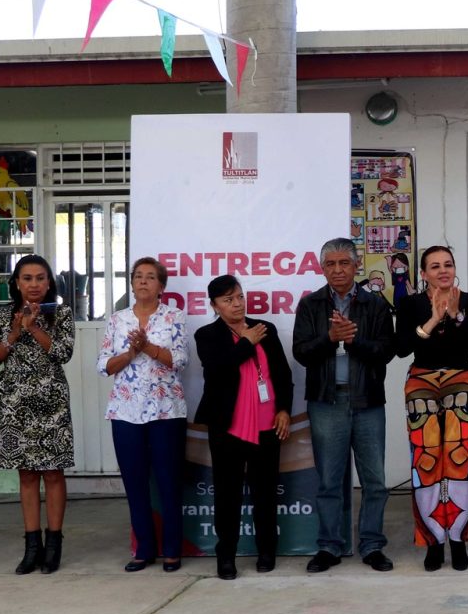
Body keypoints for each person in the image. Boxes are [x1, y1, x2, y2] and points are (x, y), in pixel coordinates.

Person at [294, 237, 396, 572]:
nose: (337, 270)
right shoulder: (311, 306)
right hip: (326, 401)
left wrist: (353, 341)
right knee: (329, 479)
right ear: (322, 268)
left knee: (375, 479)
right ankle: (329, 546)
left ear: (356, 266)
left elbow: (386, 352)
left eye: (344, 263)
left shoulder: (376, 304)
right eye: (330, 264)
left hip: (366, 400)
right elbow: (302, 353)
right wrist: (330, 339)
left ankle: (371, 545)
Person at [393, 245, 468, 572]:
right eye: (434, 266)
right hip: (421, 379)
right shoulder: (410, 304)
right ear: (423, 274)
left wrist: (455, 315)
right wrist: (434, 318)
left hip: (462, 378)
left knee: (462, 458)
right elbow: (402, 348)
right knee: (426, 460)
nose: (442, 270)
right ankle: (433, 540)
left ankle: (459, 538)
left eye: (447, 264)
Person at [193, 275, 293, 580]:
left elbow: (282, 373)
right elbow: (218, 369)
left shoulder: (266, 329)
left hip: (267, 425)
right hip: (227, 427)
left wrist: (284, 410)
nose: (237, 304)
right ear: (214, 306)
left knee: (265, 492)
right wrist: (247, 343)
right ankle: (226, 556)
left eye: (239, 297)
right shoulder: (206, 335)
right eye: (228, 300)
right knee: (228, 493)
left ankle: (267, 551)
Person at [0, 254, 76, 575]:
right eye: (27, 278)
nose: (34, 284)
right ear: (17, 283)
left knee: (52, 472)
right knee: (25, 474)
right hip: (15, 405)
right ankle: (31, 546)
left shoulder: (60, 313)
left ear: (49, 283)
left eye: (40, 278)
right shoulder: (2, 314)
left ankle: (53, 545)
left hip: (52, 404)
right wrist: (13, 331)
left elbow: (63, 353)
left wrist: (34, 327)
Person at [98, 256, 189, 572]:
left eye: (151, 277)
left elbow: (179, 361)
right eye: (138, 276)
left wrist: (148, 347)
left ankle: (173, 550)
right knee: (135, 484)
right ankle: (144, 549)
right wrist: (132, 352)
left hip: (166, 411)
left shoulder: (173, 317)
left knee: (168, 483)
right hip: (126, 411)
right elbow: (105, 366)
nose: (143, 281)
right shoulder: (118, 320)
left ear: (161, 286)